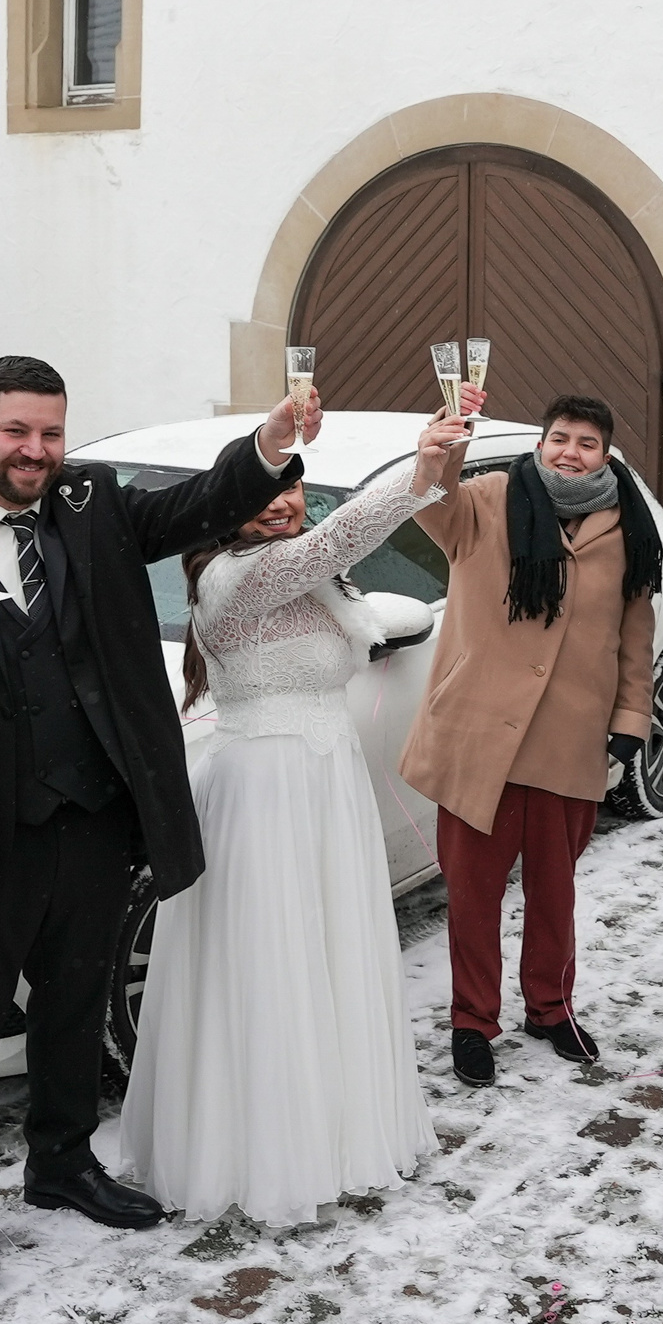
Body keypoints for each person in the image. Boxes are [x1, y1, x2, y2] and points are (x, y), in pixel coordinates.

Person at [0, 355, 311, 1294]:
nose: (36, 451)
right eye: (17, 432)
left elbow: (197, 505)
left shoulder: (93, 504)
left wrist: (268, 445)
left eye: (51, 434)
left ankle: (63, 1163)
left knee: (73, 998)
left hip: (94, 813)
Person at [121, 407, 465, 1224]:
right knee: (269, 965)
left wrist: (446, 465)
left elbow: (348, 582)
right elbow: (338, 539)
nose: (282, 504)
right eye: (263, 491)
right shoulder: (232, 579)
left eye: (292, 488)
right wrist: (414, 475)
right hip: (267, 788)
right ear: (225, 505)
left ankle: (338, 1131)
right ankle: (260, 1150)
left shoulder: (310, 575)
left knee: (328, 957)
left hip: (327, 784)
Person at [395, 389, 663, 1087]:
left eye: (587, 443)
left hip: (568, 738)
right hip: (480, 732)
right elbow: (429, 500)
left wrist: (632, 721)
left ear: (606, 455)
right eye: (560, 439)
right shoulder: (485, 500)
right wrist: (439, 444)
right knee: (473, 893)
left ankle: (550, 1007)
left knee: (555, 892)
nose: (571, 453)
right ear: (540, 444)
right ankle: (471, 1020)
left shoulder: (628, 527)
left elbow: (635, 637)